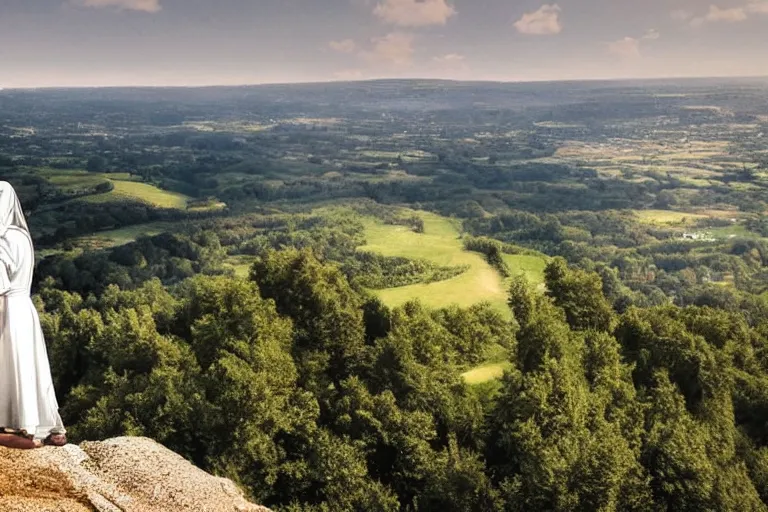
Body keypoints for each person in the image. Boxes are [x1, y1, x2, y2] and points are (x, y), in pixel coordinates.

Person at [0, 181, 66, 449]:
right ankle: (48, 427)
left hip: (6, 310)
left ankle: (18, 430)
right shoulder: (22, 236)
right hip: (25, 308)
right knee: (30, 368)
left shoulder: (2, 240)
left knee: (9, 368)